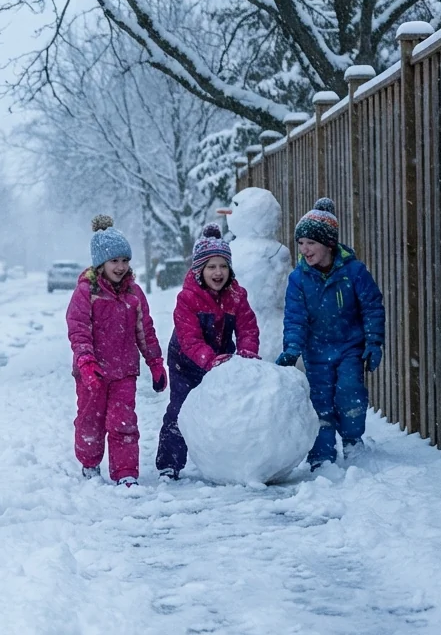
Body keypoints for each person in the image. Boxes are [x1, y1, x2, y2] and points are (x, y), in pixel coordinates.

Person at [276, 198, 385, 469]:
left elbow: (372, 307)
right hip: (316, 349)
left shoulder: (354, 272)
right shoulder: (298, 279)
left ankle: (352, 441)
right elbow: (295, 318)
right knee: (320, 400)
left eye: (310, 243)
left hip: (350, 346)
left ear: (328, 244)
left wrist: (373, 342)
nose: (304, 250)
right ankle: (321, 453)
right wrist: (292, 348)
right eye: (300, 243)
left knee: (350, 392)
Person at [65, 215, 165, 487]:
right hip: (92, 372)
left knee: (124, 422)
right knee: (90, 421)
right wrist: (86, 361)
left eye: (125, 261)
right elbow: (78, 329)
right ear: (101, 264)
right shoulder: (86, 292)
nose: (121, 267)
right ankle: (89, 462)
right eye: (114, 261)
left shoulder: (134, 294)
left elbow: (145, 330)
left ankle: (125, 473)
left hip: (124, 372)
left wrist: (155, 362)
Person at [156, 224, 261, 480]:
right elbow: (189, 338)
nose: (218, 272)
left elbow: (248, 327)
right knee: (180, 410)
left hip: (222, 361)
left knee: (227, 409)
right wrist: (208, 359)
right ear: (199, 269)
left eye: (223, 266)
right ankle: (169, 463)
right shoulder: (188, 298)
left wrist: (247, 353)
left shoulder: (236, 295)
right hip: (185, 362)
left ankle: (226, 460)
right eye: (211, 266)